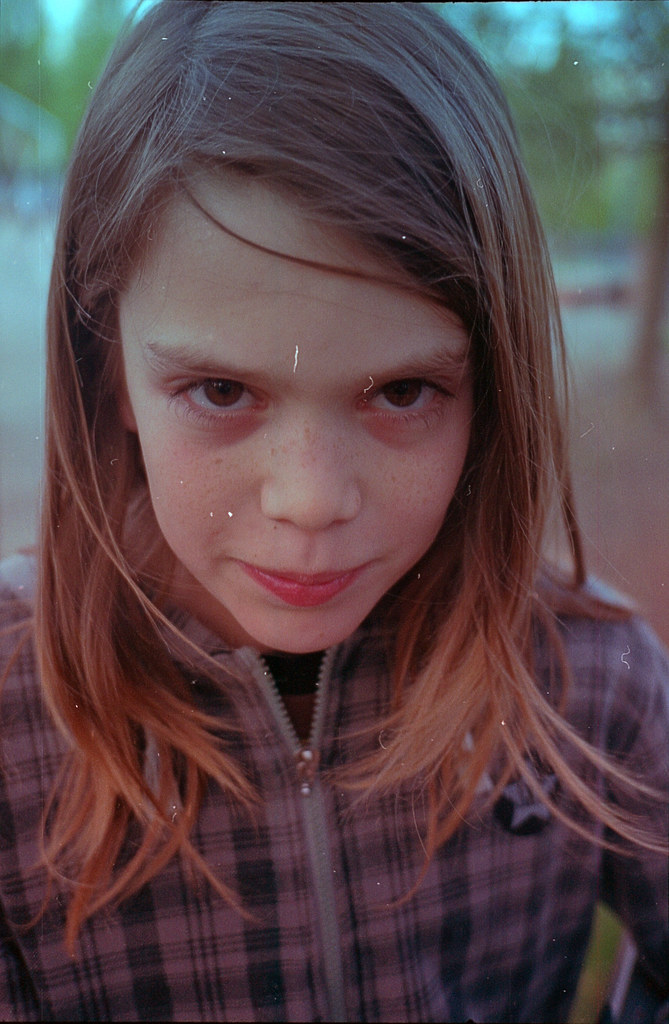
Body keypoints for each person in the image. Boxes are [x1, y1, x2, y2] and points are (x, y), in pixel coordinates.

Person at [0, 3, 667, 1021]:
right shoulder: (11, 718)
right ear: (107, 370)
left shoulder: (594, 682)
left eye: (402, 392)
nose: (311, 501)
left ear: (491, 390)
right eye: (222, 391)